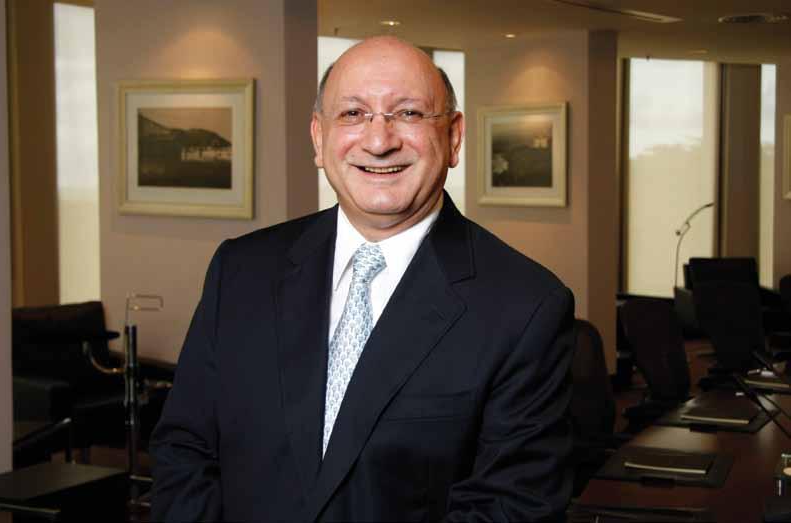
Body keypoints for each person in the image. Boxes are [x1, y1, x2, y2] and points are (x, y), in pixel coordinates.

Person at [150, 36, 575, 522]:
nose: (378, 141)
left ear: (454, 137)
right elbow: (184, 449)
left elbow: (511, 507)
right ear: (318, 138)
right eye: (353, 114)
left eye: (409, 113)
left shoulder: (526, 306)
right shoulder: (241, 271)